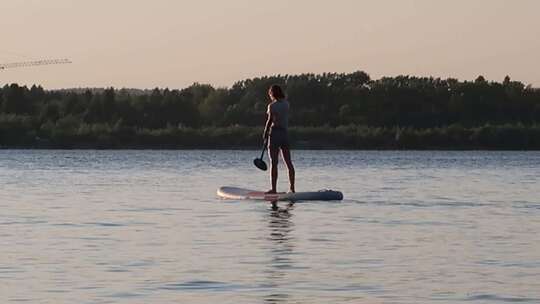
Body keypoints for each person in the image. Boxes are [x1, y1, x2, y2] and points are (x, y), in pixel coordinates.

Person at [263, 84, 295, 194]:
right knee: (288, 162)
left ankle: (274, 189)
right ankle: (292, 188)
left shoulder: (272, 106)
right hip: (285, 134)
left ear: (272, 94)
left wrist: (265, 133)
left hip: (275, 133)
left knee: (274, 162)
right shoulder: (287, 104)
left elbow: (270, 120)